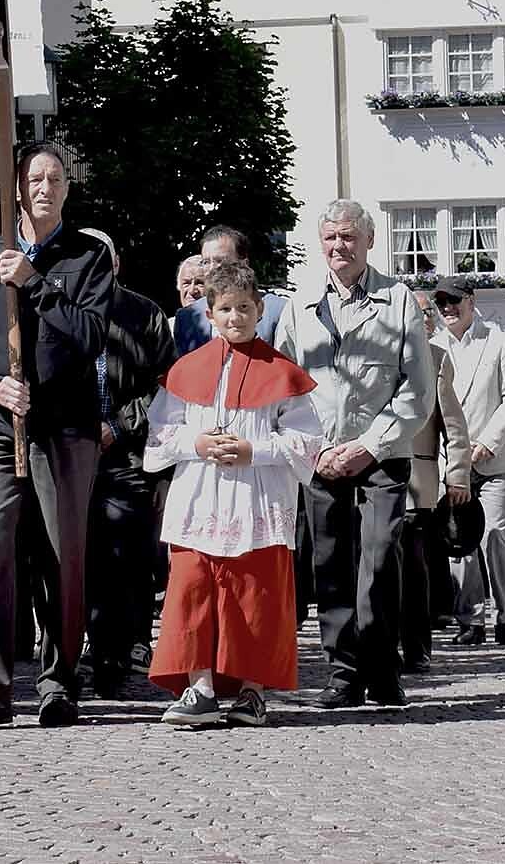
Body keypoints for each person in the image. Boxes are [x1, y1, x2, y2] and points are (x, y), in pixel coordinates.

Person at [0, 142, 113, 728]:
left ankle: (59, 681)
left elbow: (90, 335)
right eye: (35, 178)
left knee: (62, 552)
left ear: (67, 189)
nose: (45, 188)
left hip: (64, 428)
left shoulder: (88, 257)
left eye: (55, 179)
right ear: (17, 187)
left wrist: (35, 283)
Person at [144, 260, 325, 727]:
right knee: (191, 591)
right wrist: (197, 444)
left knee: (254, 597)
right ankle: (200, 689)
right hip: (199, 498)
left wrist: (253, 450)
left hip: (257, 498)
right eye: (225, 309)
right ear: (209, 313)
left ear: (259, 309)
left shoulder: (282, 372)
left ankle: (252, 692)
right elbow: (160, 435)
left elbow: (307, 443)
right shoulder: (186, 370)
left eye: (244, 308)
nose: (235, 317)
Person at [275, 199, 434, 710]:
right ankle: (343, 674)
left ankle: (383, 669)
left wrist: (369, 445)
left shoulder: (398, 300)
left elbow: (418, 389)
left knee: (380, 560)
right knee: (331, 567)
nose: (339, 246)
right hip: (322, 456)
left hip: (381, 455)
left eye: (349, 237)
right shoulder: (299, 304)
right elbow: (285, 386)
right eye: (331, 238)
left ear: (369, 241)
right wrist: (315, 448)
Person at [80, 227, 176, 698]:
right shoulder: (59, 310)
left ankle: (125, 648)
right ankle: (90, 648)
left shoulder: (144, 314)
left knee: (128, 556)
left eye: (105, 260)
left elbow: (166, 385)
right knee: (83, 555)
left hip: (130, 451)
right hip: (71, 452)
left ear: (117, 264)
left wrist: (117, 426)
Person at [434, 276, 505, 647]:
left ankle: (504, 612)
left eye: (454, 300)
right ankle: (470, 619)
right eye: (442, 302)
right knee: (459, 542)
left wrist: (489, 441)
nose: (448, 308)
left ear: (471, 301)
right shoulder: (433, 347)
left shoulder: (499, 341)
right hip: (452, 461)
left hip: (494, 459)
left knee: (494, 534)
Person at [401, 308, 471, 671]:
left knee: (414, 567)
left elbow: (453, 424)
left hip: (418, 479)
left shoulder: (436, 358)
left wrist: (457, 474)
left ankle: (416, 648)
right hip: (368, 475)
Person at [173, 225, 285, 356]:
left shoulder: (278, 311)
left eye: (220, 261)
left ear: (244, 263)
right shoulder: (187, 317)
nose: (211, 269)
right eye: (206, 262)